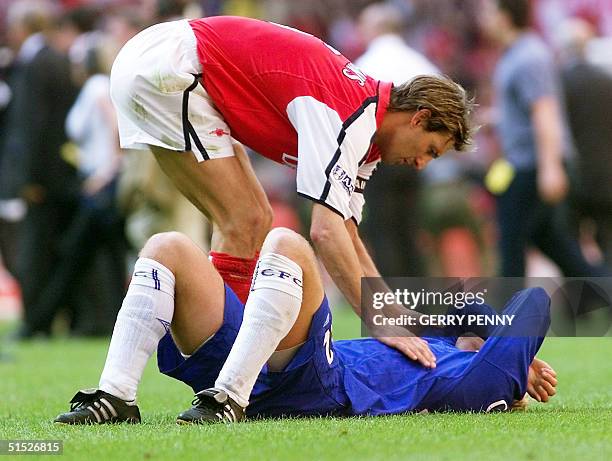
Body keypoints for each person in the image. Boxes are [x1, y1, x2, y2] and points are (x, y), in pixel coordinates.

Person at [109, 15, 474, 366]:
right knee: (242, 219)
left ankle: (220, 357)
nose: (423, 164)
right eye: (430, 149)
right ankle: (222, 363)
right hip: (169, 67)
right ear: (420, 118)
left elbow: (346, 230)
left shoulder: (367, 134)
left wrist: (389, 310)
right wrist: (379, 323)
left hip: (171, 64)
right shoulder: (349, 117)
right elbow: (325, 233)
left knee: (254, 218)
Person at [54, 227, 556, 424]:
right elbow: (474, 305)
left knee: (289, 244)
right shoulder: (448, 341)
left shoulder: (480, 382)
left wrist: (509, 355)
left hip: (317, 383)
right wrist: (485, 335)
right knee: (168, 247)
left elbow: (533, 301)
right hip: (263, 359)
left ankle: (228, 399)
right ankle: (116, 396)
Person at [481, 0, 606, 277]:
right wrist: (497, 120)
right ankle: (603, 291)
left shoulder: (529, 56)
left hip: (533, 165)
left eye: (488, 12)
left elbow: (544, 111)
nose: (483, 18)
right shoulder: (515, 54)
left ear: (504, 16)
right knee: (551, 242)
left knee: (511, 241)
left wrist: (551, 168)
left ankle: (507, 314)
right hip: (529, 162)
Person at [559, 19, 612, 268]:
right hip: (606, 175)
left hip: (575, 176)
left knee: (571, 245)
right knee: (608, 241)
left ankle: (582, 302)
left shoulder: (559, 84)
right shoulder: (606, 81)